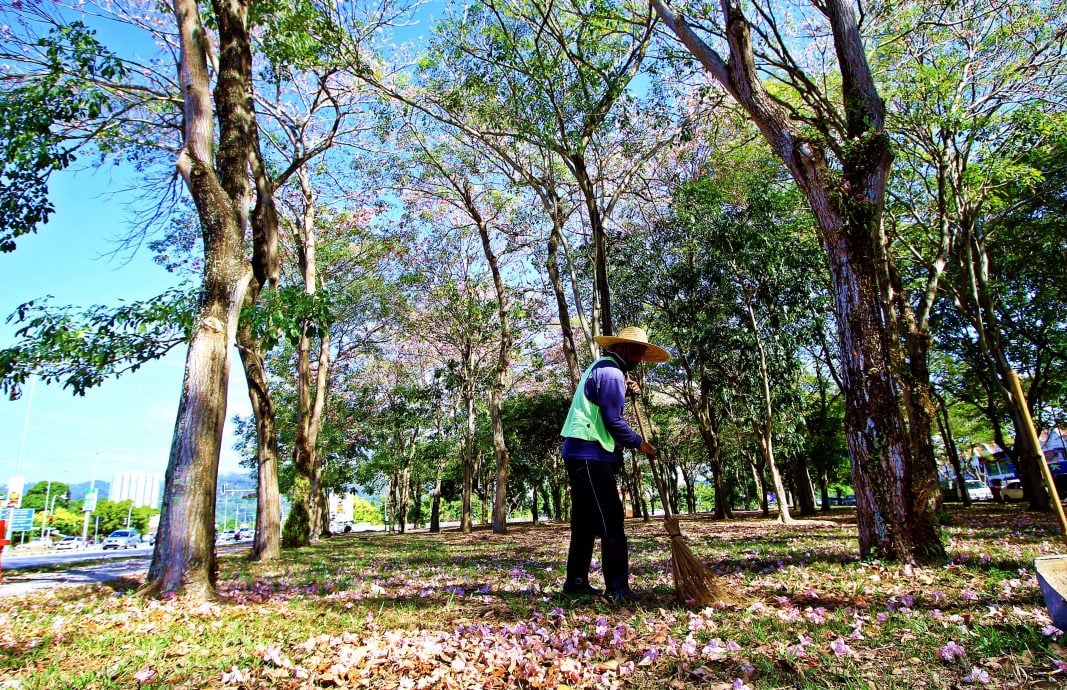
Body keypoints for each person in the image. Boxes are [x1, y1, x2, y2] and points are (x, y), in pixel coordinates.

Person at [559, 326, 670, 602]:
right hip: (590, 453)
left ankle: (576, 583)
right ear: (619, 347)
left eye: (642, 351)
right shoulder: (611, 373)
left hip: (582, 452)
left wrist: (627, 386)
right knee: (611, 520)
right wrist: (639, 443)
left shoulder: (608, 370)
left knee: (585, 523)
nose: (639, 355)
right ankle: (618, 589)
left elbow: (604, 402)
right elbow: (613, 420)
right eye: (635, 349)